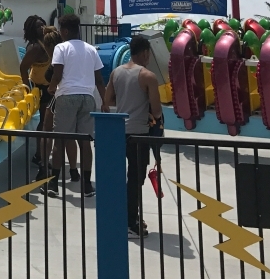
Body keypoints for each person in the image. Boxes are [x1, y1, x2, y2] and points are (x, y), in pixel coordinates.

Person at [103, 35, 164, 239]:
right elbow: (157, 110)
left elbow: (107, 101)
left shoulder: (116, 72)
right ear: (145, 53)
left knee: (119, 178)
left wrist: (125, 101)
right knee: (135, 180)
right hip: (139, 134)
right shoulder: (148, 76)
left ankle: (124, 216)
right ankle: (131, 223)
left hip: (119, 132)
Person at [45, 13, 104, 198]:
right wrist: (105, 102)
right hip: (88, 98)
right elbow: (99, 79)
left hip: (67, 96)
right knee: (85, 142)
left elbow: (57, 74)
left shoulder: (61, 48)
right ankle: (87, 185)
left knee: (60, 140)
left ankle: (53, 184)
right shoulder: (91, 49)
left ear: (65, 31)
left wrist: (51, 87)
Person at [19, 18, 76, 181]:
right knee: (45, 123)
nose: (42, 27)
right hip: (41, 88)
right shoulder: (36, 47)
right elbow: (23, 67)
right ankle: (40, 156)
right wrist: (27, 88)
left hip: (48, 86)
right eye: (38, 26)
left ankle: (40, 155)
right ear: (32, 29)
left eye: (43, 24)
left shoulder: (47, 43)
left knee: (46, 123)